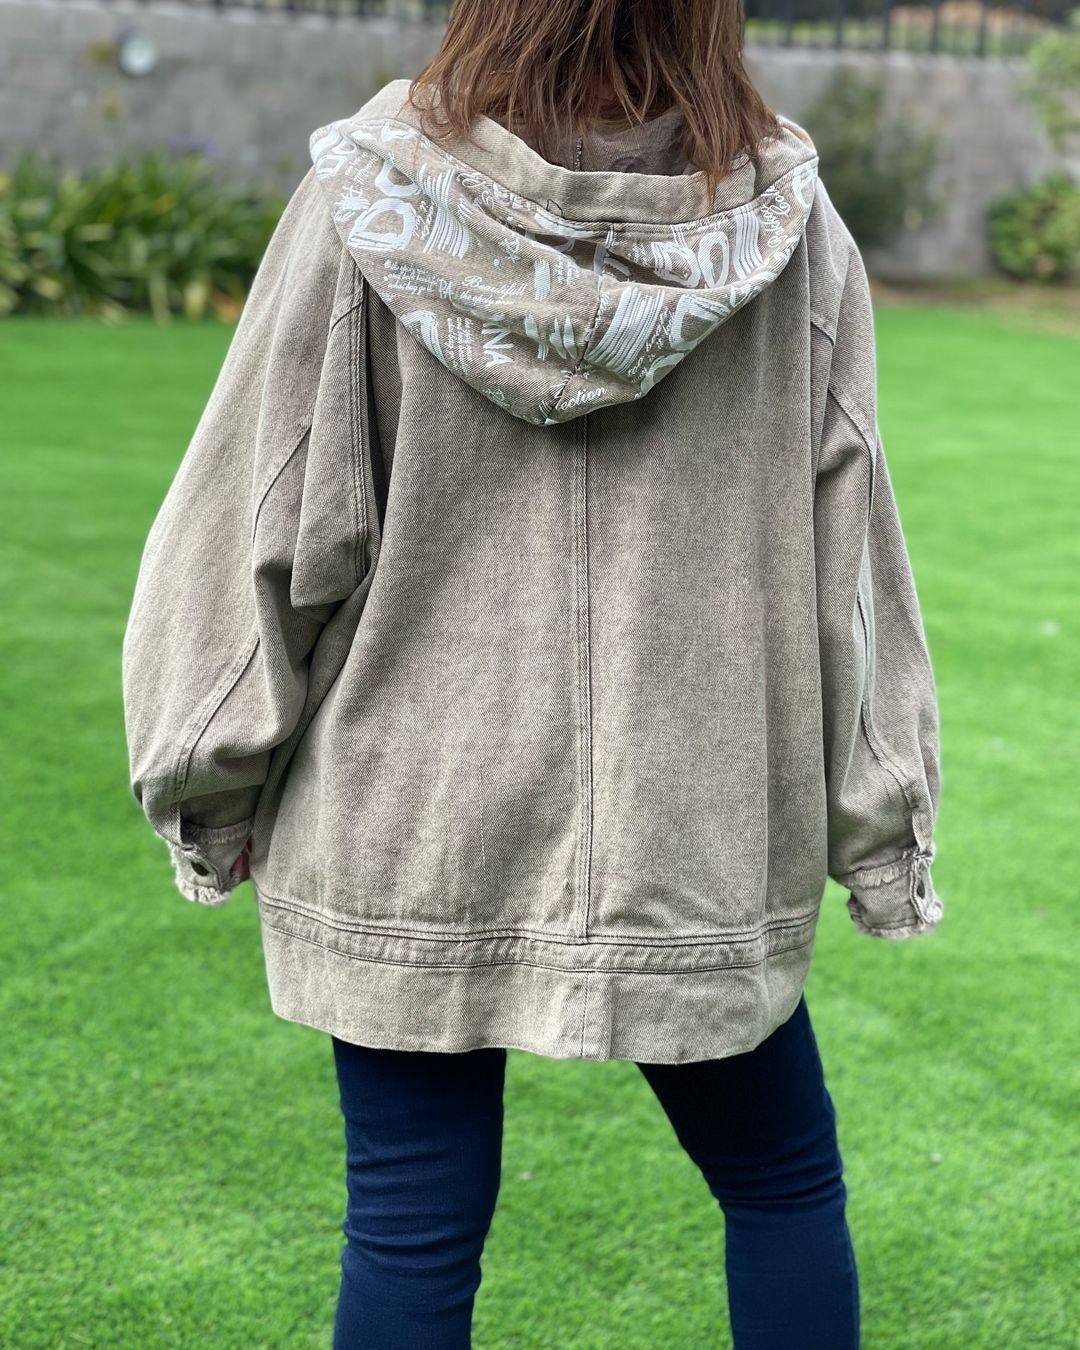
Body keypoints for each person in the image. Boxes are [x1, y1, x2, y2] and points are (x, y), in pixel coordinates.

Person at [121, 1, 943, 1345]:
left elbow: (260, 520)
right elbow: (848, 569)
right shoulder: (789, 229)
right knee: (783, 1184)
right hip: (693, 822)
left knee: (407, 1222)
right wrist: (882, 833)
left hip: (410, 813)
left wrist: (208, 779)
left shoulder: (368, 199)